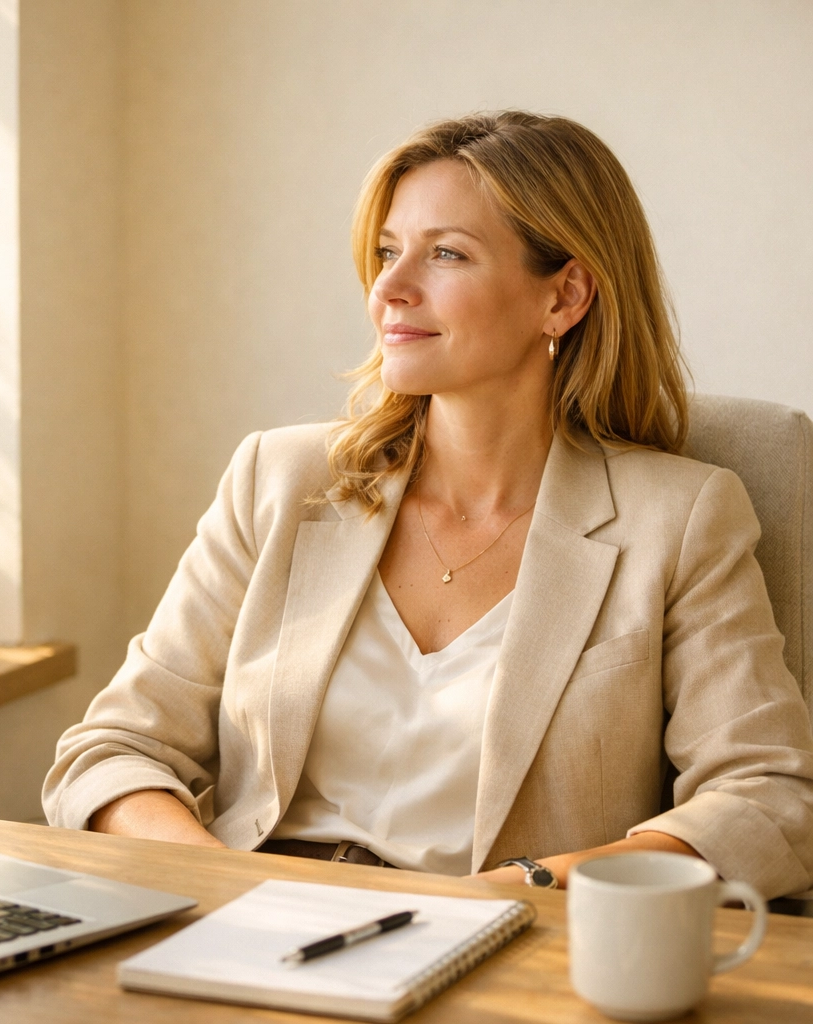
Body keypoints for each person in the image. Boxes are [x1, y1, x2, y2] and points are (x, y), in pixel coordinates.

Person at [43, 111, 813, 898]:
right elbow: (111, 752)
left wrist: (513, 894)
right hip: (251, 930)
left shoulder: (678, 519)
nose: (389, 289)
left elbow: (766, 803)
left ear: (564, 296)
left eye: (445, 253)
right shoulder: (276, 478)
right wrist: (231, 894)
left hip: (509, 949)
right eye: (386, 251)